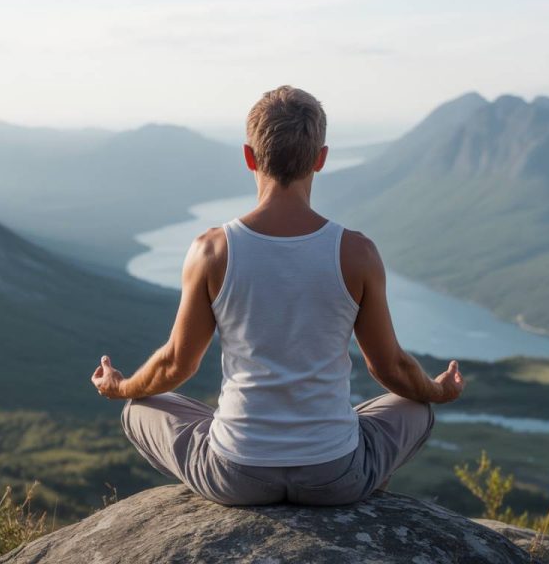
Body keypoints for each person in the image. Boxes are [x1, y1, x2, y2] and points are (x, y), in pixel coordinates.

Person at [91, 85, 464, 506]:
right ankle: (358, 473)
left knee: (139, 408)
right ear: (320, 159)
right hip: (335, 475)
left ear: (249, 156)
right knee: (416, 408)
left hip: (236, 474)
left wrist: (121, 387)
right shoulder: (357, 252)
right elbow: (390, 367)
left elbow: (177, 363)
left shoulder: (211, 250)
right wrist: (438, 391)